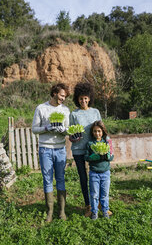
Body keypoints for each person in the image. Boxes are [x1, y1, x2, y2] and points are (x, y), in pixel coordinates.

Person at [32, 83, 70, 222]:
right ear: (54, 93)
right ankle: (49, 212)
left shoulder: (65, 110)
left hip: (60, 149)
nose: (63, 99)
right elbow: (34, 129)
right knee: (47, 179)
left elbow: (68, 129)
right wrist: (47, 128)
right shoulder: (41, 108)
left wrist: (64, 131)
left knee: (60, 178)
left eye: (65, 96)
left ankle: (61, 211)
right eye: (61, 95)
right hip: (45, 149)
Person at [69, 82, 102, 217]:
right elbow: (70, 133)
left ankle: (99, 203)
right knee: (83, 177)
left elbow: (101, 129)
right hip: (78, 150)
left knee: (96, 176)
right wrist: (73, 138)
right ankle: (88, 205)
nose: (83, 101)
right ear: (77, 99)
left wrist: (106, 144)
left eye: (86, 98)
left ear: (89, 98)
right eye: (81, 98)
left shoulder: (95, 112)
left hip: (94, 149)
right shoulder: (74, 114)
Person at [84, 120, 114, 220]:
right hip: (94, 173)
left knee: (105, 194)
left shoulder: (107, 142)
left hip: (105, 172)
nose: (97, 133)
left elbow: (112, 156)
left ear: (103, 131)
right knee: (94, 194)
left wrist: (107, 156)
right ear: (92, 132)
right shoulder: (90, 144)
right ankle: (94, 212)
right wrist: (94, 156)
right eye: (95, 131)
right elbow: (86, 157)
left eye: (99, 131)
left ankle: (105, 211)